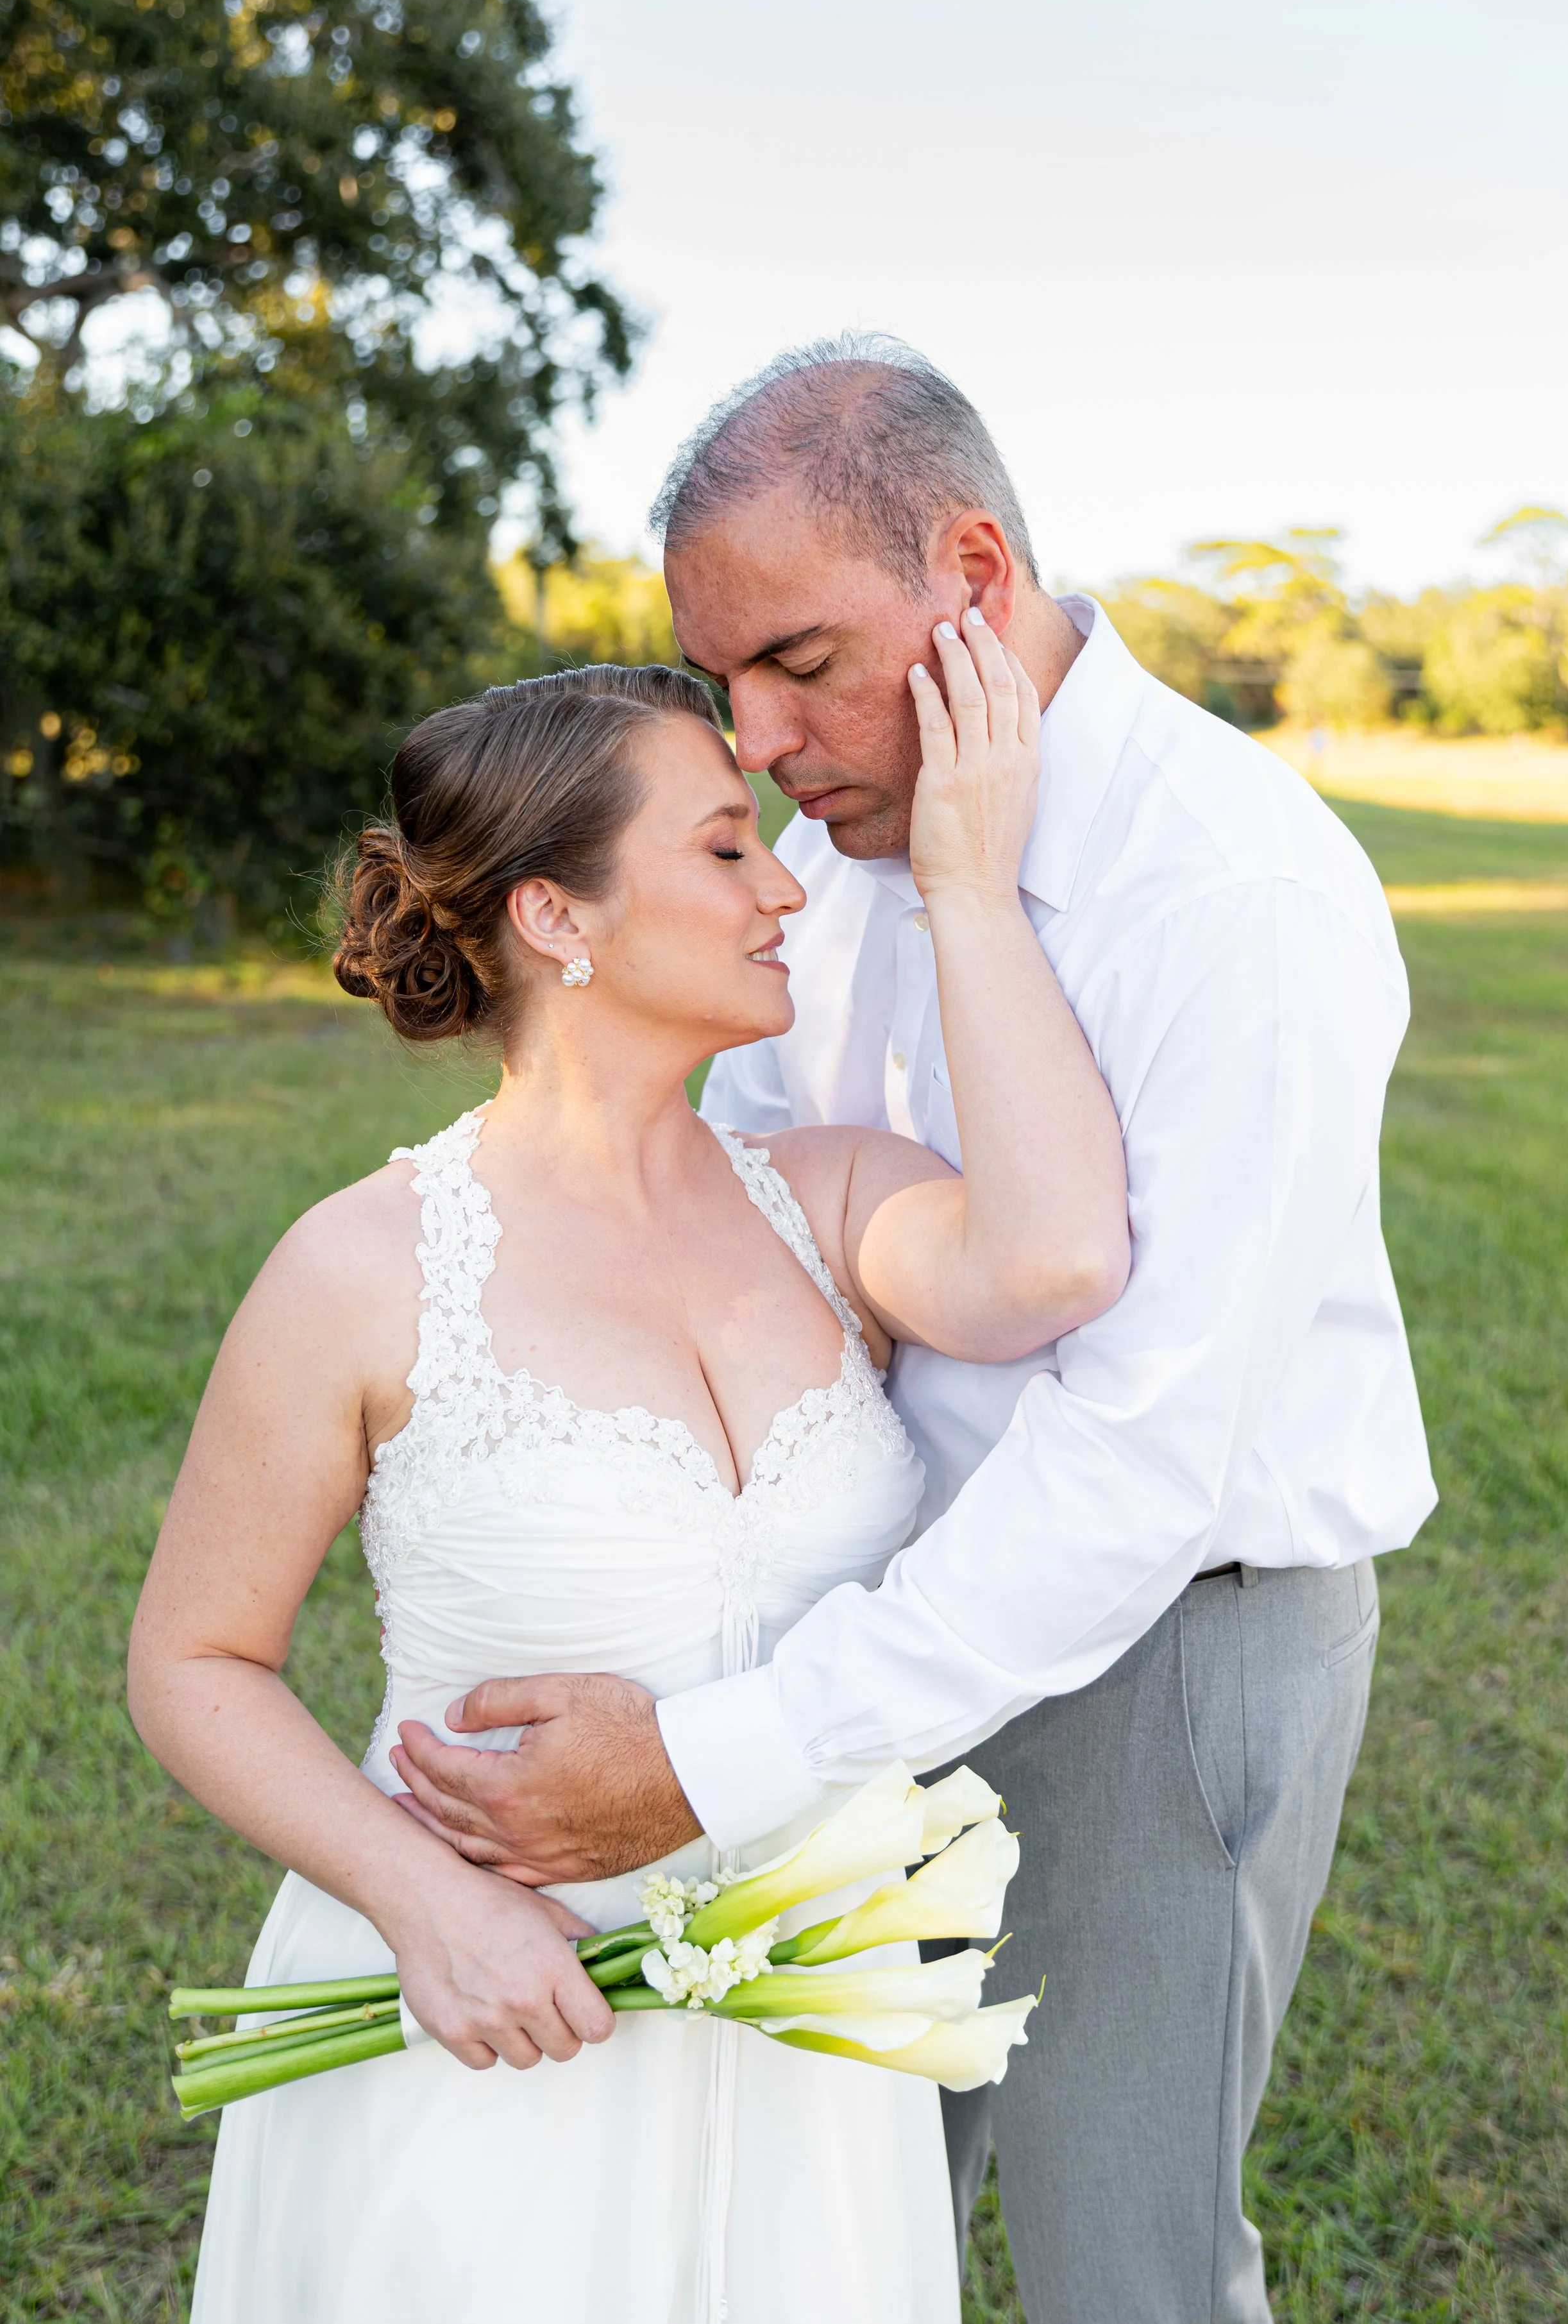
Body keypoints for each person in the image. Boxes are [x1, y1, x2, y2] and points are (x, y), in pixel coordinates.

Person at [390, 338, 1438, 2324]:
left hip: (1166, 1640)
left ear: (969, 569)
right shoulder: (828, 865)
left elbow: (1143, 1449)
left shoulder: (1231, 889)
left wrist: (723, 1754)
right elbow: (768, 1239)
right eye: (721, 683)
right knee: (840, 2219)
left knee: (1117, 2262)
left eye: (798, 659)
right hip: (866, 1609)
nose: (761, 741)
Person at [127, 649, 1131, 2323]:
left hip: (809, 2037)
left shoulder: (835, 1203)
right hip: (482, 2024)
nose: (783, 894)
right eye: (723, 847)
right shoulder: (360, 1268)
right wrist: (430, 1908)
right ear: (555, 918)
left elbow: (1046, 1259)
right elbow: (192, 1659)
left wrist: (966, 886)